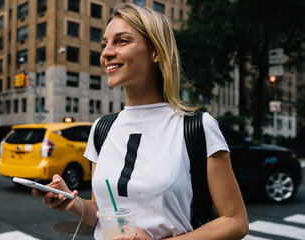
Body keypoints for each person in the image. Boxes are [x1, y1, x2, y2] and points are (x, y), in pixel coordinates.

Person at [32, 3, 249, 240]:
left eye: (121, 41)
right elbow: (103, 213)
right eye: (105, 44)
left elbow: (235, 221)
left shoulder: (198, 127)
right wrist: (72, 202)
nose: (106, 52)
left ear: (155, 50)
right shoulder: (102, 129)